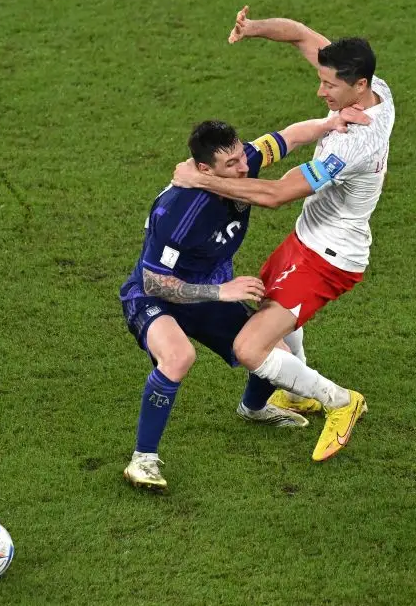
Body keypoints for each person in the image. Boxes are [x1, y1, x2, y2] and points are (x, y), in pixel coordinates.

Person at [171, 7, 396, 462]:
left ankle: (341, 402)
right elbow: (298, 35)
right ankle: (296, 389)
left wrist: (205, 180)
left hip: (329, 258)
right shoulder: (376, 88)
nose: (320, 90)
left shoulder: (354, 144)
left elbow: (276, 194)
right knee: (269, 307)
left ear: (358, 85)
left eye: (329, 85)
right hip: (308, 239)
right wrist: (253, 29)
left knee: (250, 347)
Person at [121, 109, 370, 491]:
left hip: (209, 292)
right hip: (157, 297)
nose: (243, 168)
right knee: (178, 356)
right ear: (204, 170)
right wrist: (222, 291)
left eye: (241, 157)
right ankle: (143, 460)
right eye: (231, 164)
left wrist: (327, 125)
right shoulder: (179, 212)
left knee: (274, 348)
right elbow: (154, 281)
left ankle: (253, 409)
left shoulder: (241, 163)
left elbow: (285, 137)